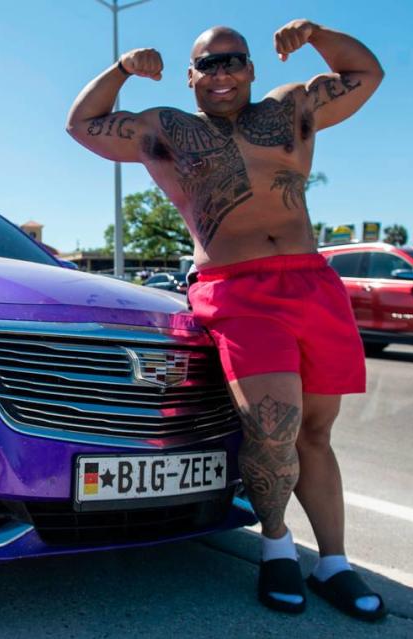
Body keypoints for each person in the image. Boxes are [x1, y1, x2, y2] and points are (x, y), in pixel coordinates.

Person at [67, 19, 385, 620]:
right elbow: (82, 125)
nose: (221, 73)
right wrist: (121, 71)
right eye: (207, 64)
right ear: (190, 77)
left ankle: (335, 564)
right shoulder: (167, 130)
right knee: (273, 429)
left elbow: (364, 73)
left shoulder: (291, 108)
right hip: (236, 290)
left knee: (315, 433)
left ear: (251, 68)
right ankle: (276, 547)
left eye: (232, 60)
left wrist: (316, 33)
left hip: (312, 284)